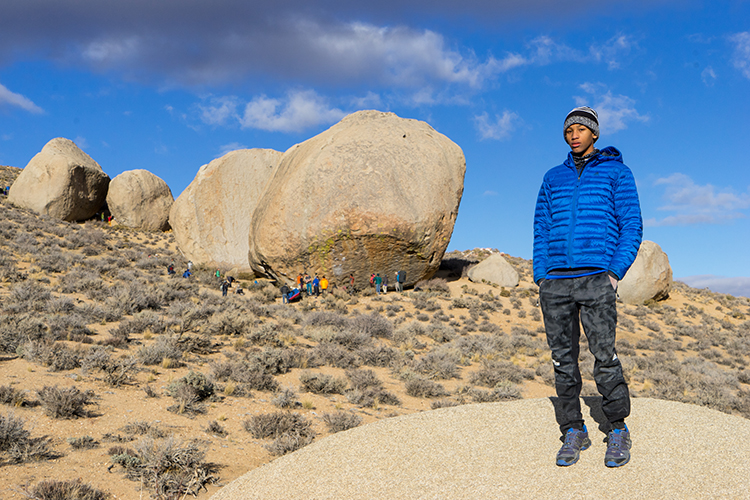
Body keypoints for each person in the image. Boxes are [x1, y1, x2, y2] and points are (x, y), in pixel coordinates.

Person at [533, 106, 642, 468]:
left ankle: (617, 429)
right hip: (556, 282)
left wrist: (613, 273)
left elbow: (632, 225)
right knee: (562, 361)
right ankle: (573, 430)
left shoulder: (617, 173)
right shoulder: (552, 177)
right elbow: (541, 228)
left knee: (604, 357)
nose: (574, 135)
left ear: (595, 133)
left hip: (597, 278)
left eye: (581, 129)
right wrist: (541, 275)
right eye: (569, 131)